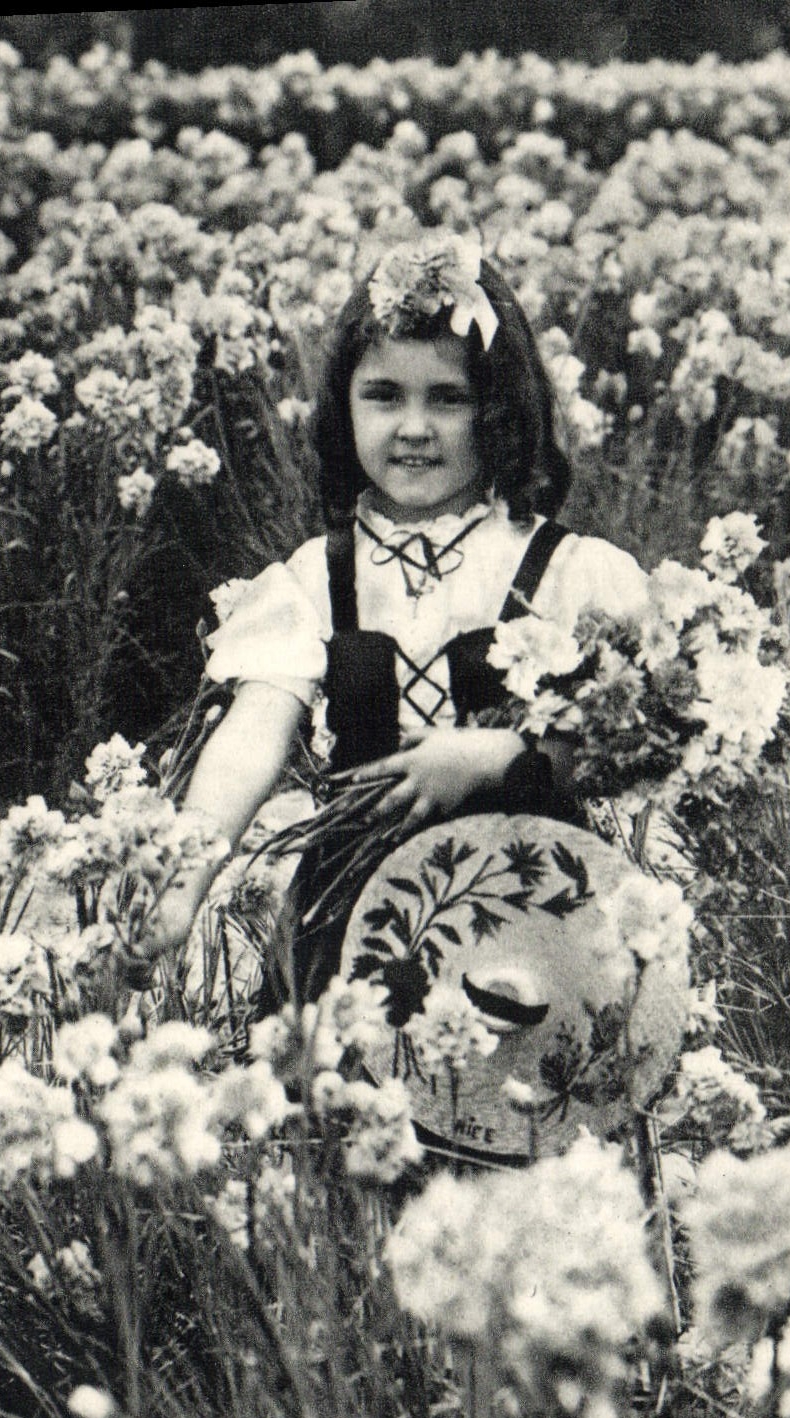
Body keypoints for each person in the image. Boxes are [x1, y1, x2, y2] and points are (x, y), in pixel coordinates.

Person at [136, 231, 648, 1006]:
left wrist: (500, 753)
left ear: (500, 410)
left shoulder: (565, 569)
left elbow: (635, 736)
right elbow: (251, 736)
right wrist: (183, 879)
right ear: (345, 407)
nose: (414, 427)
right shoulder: (317, 577)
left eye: (447, 398)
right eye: (384, 396)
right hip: (351, 919)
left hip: (528, 906)